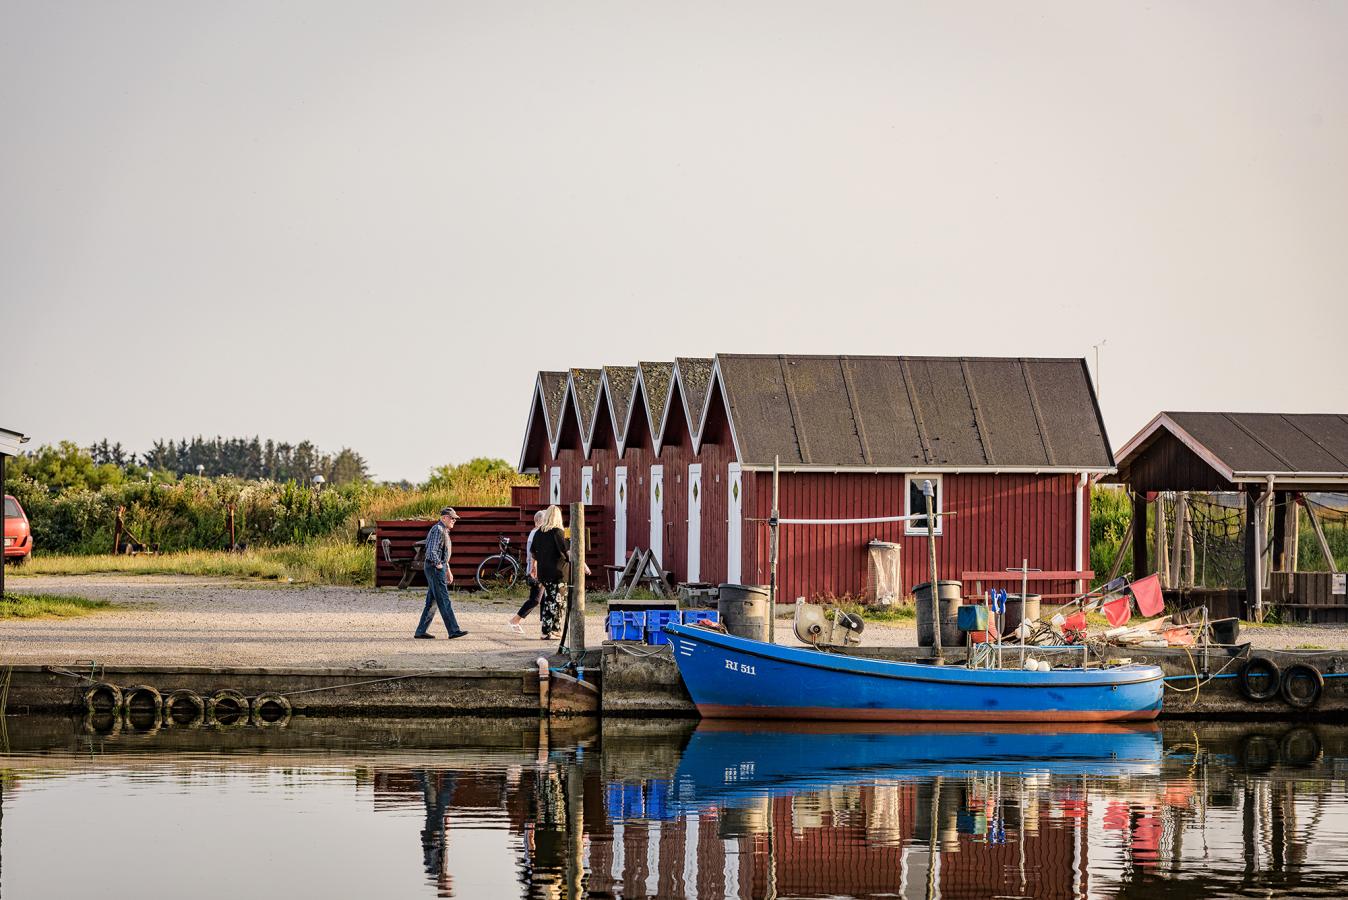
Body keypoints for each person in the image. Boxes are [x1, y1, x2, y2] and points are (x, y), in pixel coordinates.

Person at [414, 507, 468, 640]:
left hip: (437, 567)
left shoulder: (444, 530)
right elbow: (431, 551)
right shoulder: (438, 530)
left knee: (432, 601)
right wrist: (439, 565)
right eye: (452, 517)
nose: (454, 520)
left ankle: (421, 631)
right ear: (444, 518)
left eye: (455, 518)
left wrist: (447, 569)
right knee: (444, 600)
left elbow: (441, 552)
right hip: (434, 568)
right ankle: (454, 630)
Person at [508, 510, 546, 634]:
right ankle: (515, 620)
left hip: (537, 569)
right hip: (536, 570)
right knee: (535, 599)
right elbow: (534, 554)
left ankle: (545, 623)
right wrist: (533, 569)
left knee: (543, 598)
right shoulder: (537, 534)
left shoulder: (534, 533)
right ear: (540, 521)